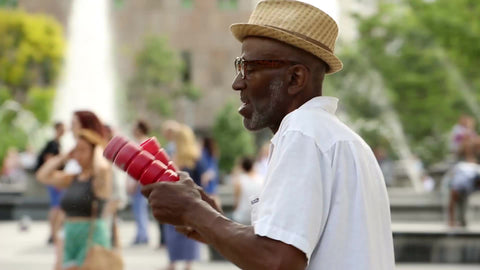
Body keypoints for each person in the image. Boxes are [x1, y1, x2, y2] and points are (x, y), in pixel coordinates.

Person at [141, 1, 395, 270]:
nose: (237, 83)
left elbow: (277, 261)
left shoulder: (302, 132)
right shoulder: (342, 140)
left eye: (250, 68)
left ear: (295, 78)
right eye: (239, 66)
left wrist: (194, 211)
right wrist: (215, 223)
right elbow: (285, 250)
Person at [36, 128, 112, 270]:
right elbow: (42, 175)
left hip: (92, 236)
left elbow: (102, 168)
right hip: (70, 235)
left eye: (83, 150)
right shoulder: (72, 178)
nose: (78, 155)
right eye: (76, 150)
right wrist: (64, 156)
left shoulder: (100, 180)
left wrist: (97, 149)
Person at [162, 124, 204, 270]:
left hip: (174, 202)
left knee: (173, 232)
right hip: (192, 202)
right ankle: (188, 265)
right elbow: (201, 182)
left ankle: (172, 263)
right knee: (190, 234)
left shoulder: (174, 159)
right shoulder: (197, 157)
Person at [35, 122, 66, 245]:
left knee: (56, 207)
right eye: (62, 128)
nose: (65, 131)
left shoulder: (56, 143)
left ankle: (53, 233)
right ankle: (53, 233)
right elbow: (49, 161)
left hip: (55, 178)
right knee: (56, 207)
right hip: (54, 179)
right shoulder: (53, 144)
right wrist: (56, 179)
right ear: (57, 129)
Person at [127, 120, 151, 245]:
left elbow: (141, 167)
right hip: (139, 182)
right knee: (139, 209)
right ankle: (141, 234)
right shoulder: (142, 143)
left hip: (139, 182)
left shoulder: (142, 144)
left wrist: (134, 183)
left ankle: (142, 235)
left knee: (139, 209)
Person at [448, 139, 480, 227]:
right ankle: (457, 220)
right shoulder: (461, 161)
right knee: (457, 199)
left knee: (460, 199)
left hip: (467, 181)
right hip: (460, 182)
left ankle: (460, 220)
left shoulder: (474, 160)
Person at [232, 156, 263, 225]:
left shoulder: (239, 181)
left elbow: (236, 202)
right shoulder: (261, 179)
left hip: (242, 217)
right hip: (257, 216)